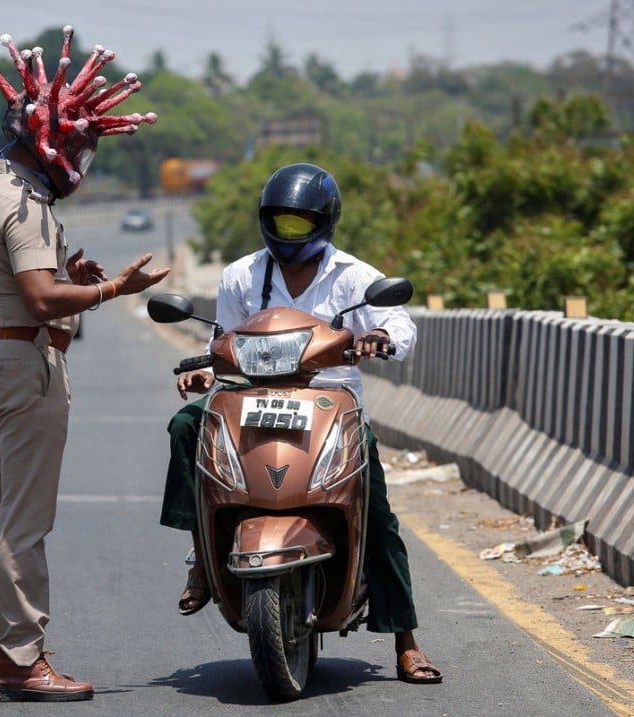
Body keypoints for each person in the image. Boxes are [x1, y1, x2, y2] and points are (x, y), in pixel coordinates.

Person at [159, 162, 443, 685]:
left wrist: (380, 335)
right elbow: (218, 342)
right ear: (265, 221)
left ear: (325, 222)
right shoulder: (240, 275)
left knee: (376, 514)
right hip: (248, 398)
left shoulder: (355, 277)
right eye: (281, 222)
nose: (290, 233)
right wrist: (204, 371)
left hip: (329, 405)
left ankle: (406, 640)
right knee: (186, 425)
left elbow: (401, 323)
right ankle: (203, 557)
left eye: (301, 223)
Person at [0, 26, 168, 703]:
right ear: (51, 142)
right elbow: (44, 298)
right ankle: (22, 657)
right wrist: (108, 289)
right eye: (75, 144)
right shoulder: (27, 204)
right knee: (26, 520)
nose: (77, 157)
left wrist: (66, 274)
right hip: (25, 362)